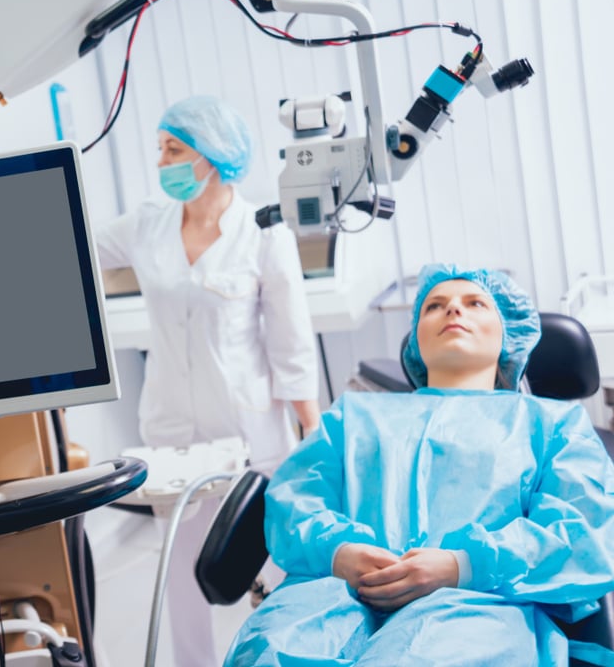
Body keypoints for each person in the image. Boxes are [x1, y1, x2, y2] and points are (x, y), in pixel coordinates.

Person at [224, 263, 614, 667]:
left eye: (475, 303)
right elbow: (295, 501)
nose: (453, 311)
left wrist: (461, 566)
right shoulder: (353, 416)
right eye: (434, 306)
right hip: (329, 592)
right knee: (268, 649)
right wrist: (340, 552)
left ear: (507, 337)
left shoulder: (551, 424)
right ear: (416, 340)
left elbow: (582, 532)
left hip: (478, 605)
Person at [95, 95, 321, 666]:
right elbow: (79, 245)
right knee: (181, 568)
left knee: (269, 561)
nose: (163, 161)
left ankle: (285, 654)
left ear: (215, 156)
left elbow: (290, 340)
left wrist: (311, 428)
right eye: (161, 149)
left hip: (249, 428)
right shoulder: (147, 223)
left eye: (175, 149)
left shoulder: (264, 233)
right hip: (170, 426)